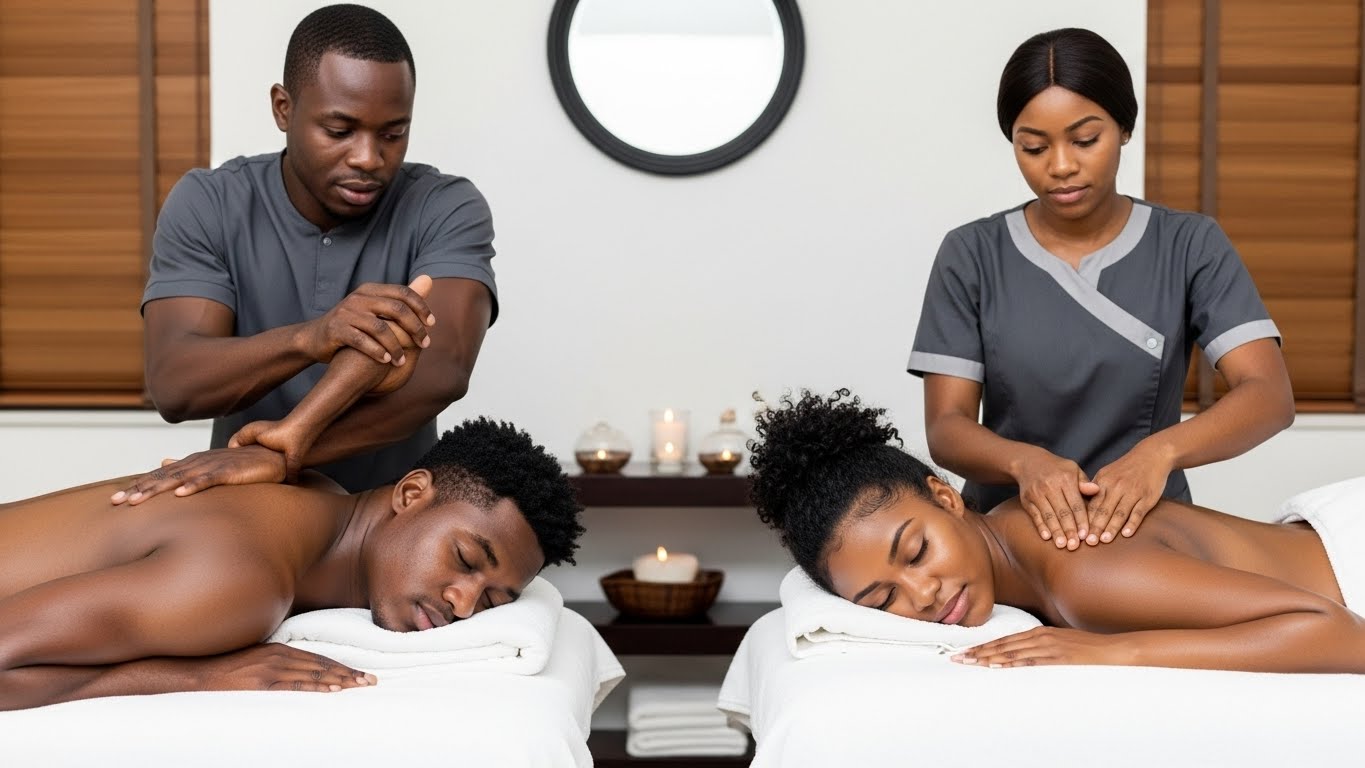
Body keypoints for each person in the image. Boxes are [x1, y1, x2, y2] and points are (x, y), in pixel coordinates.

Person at [908, 28, 1294, 552]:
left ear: (1125, 128)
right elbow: (947, 427)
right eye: (1033, 147)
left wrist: (1159, 453)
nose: (1061, 166)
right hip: (1007, 537)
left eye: (1085, 140)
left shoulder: (1189, 244)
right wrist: (1024, 463)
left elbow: (1268, 395)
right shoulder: (972, 254)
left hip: (1148, 532)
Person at [138, 3, 497, 494]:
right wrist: (310, 338)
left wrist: (286, 446)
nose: (369, 158)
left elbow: (442, 372)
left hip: (391, 515)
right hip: (246, 510)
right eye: (339, 131)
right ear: (283, 108)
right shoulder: (211, 202)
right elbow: (175, 383)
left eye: (393, 134)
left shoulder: (444, 206)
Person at [748, 389, 1365, 674]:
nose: (924, 595)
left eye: (916, 551)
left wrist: (1115, 651)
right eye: (884, 600)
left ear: (946, 497)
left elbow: (1340, 634)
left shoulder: (1082, 574)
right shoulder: (1016, 527)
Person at [0, 412, 584, 712]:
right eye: (465, 558)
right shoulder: (243, 582)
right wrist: (199, 677)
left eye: (493, 599)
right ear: (410, 493)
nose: (463, 603)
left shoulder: (318, 496)